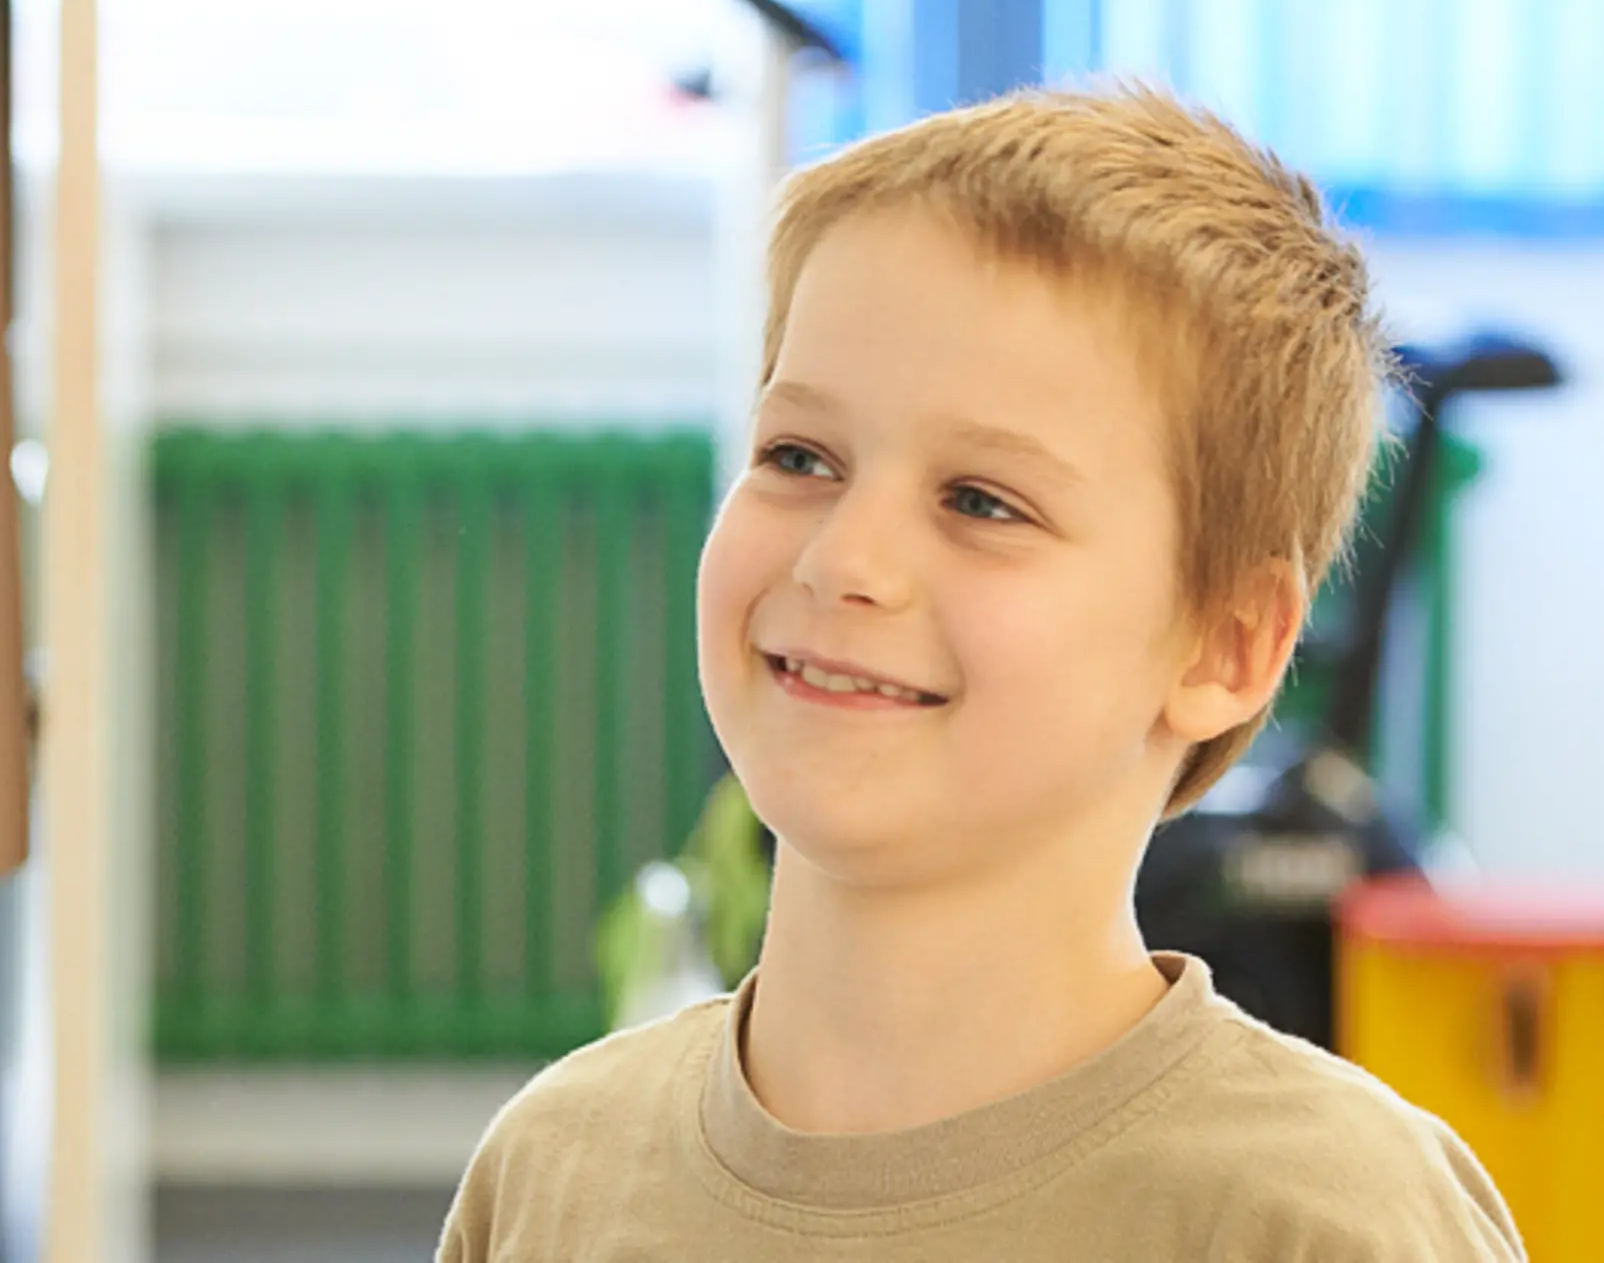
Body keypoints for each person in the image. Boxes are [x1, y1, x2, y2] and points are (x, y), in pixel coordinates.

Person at [439, 85, 1524, 1262]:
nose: (843, 556)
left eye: (981, 500)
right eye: (799, 455)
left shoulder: (1329, 1219)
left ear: (1225, 644)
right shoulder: (553, 1166)